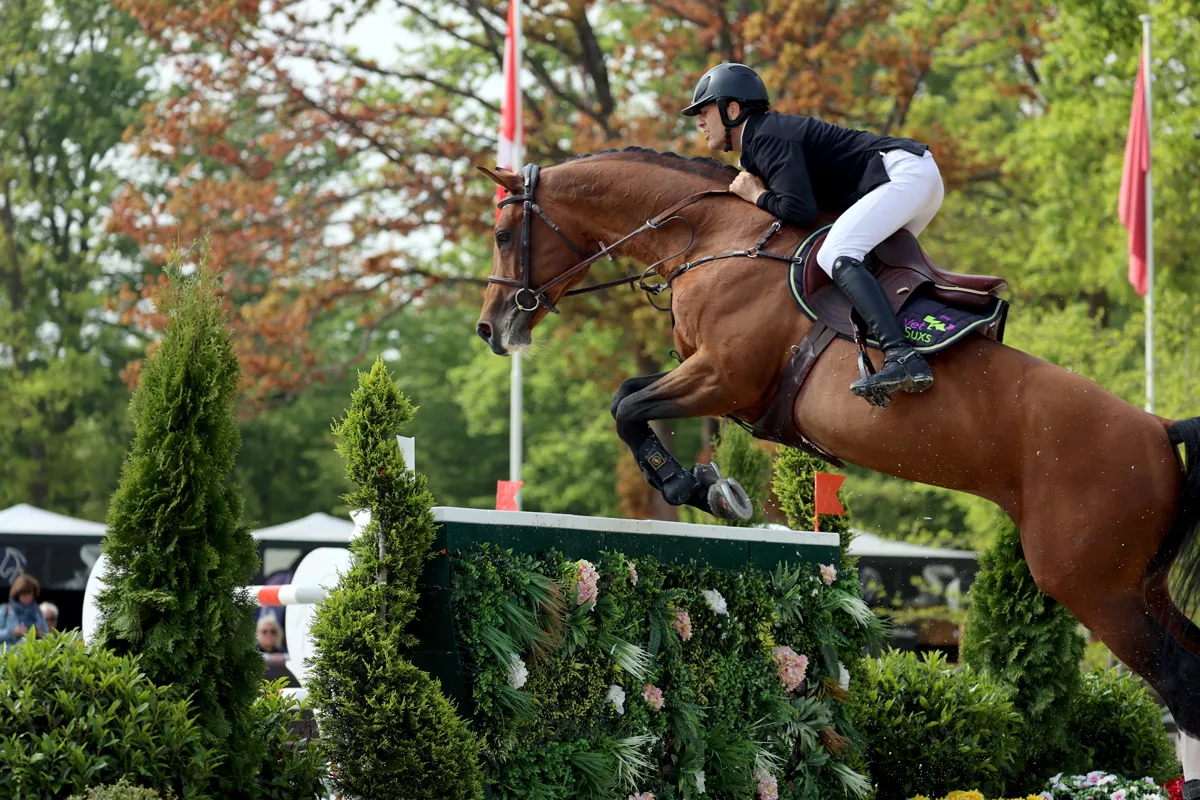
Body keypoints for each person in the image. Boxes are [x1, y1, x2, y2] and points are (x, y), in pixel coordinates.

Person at [682, 62, 942, 406]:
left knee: (835, 253)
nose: (700, 122)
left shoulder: (767, 135)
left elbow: (799, 210)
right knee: (866, 267)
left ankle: (901, 355)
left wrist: (756, 196)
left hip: (901, 173)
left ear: (732, 110)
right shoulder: (763, 139)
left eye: (704, 111)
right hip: (913, 175)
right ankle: (916, 344)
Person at [0, 573, 49, 649]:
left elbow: (48, 638)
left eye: (29, 594)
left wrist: (40, 634)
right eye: (23, 594)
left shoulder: (38, 612)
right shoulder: (6, 609)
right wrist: (12, 632)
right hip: (9, 654)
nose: (27, 597)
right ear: (17, 594)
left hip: (31, 654)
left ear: (34, 594)